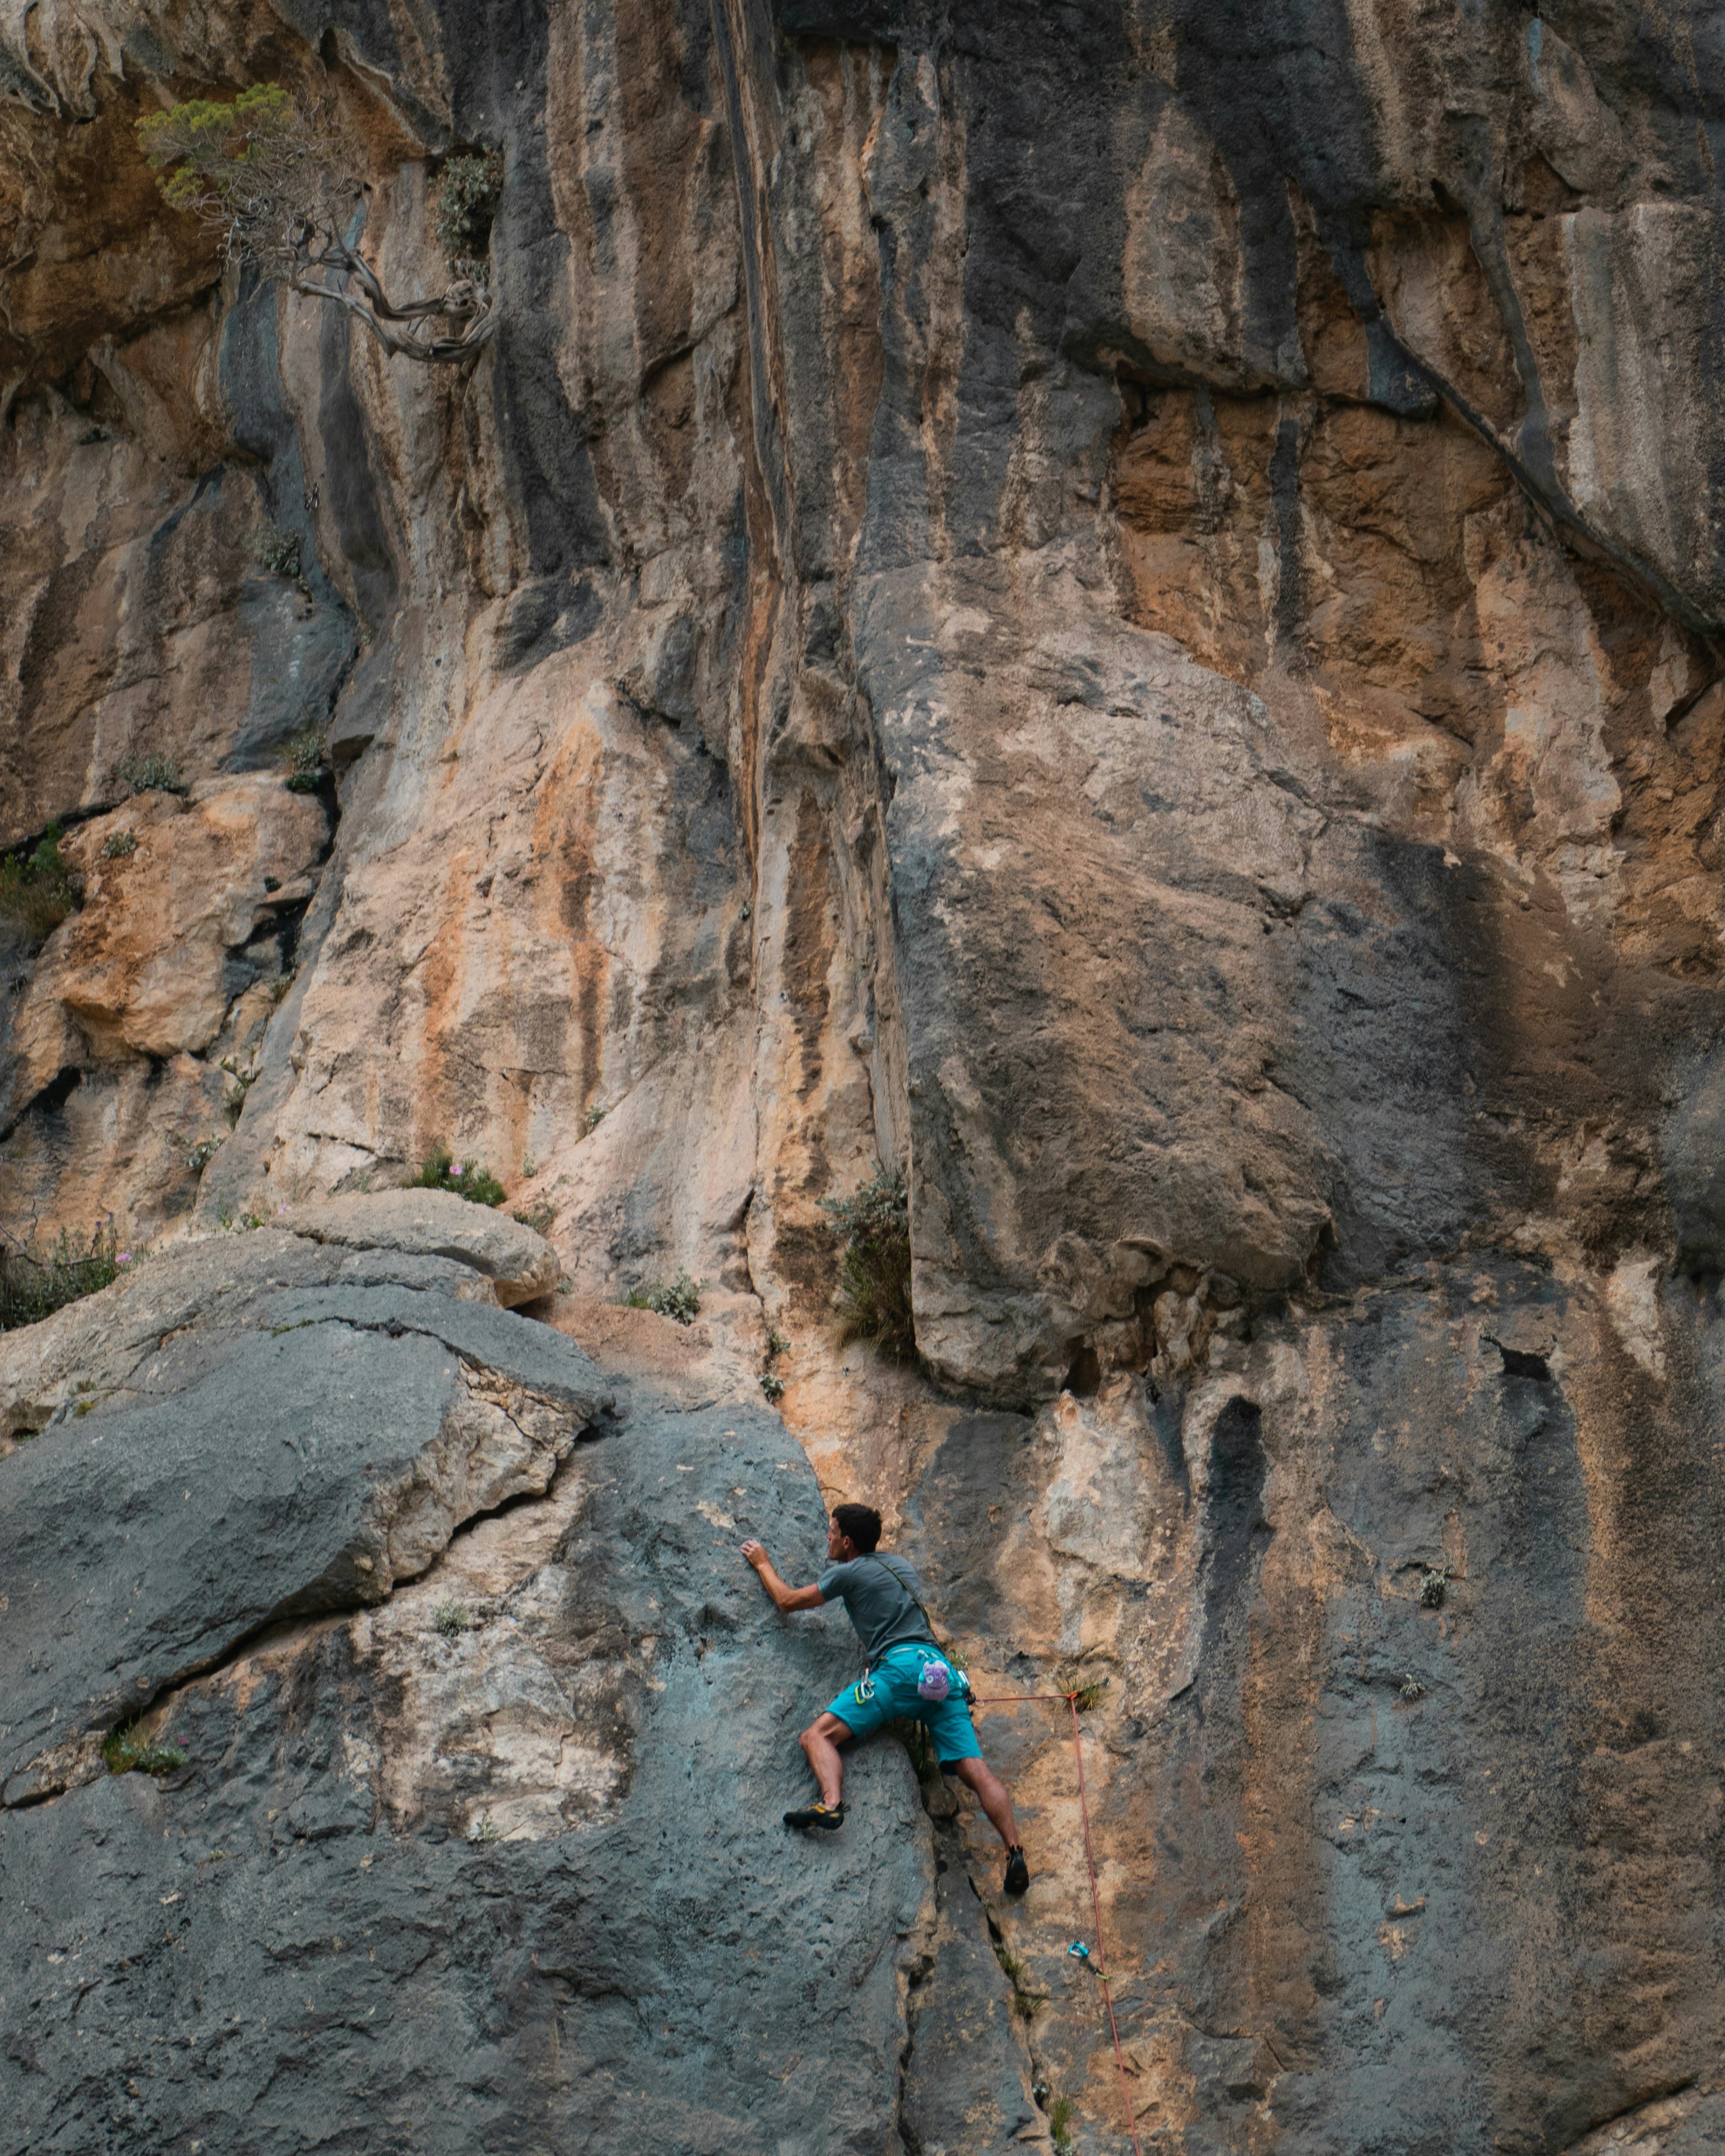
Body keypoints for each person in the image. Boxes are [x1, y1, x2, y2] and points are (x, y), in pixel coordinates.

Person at [740, 1502, 1030, 1894]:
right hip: (938, 1673)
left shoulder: (847, 1572)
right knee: (977, 1771)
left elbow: (788, 1601)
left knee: (816, 1737)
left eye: (832, 1531)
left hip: (897, 1672)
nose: (826, 1537)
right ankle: (1014, 1849)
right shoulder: (901, 1566)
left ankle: (829, 1803)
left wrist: (762, 1563)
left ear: (847, 1540)